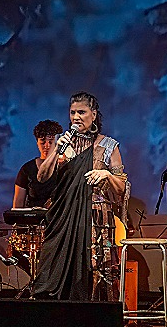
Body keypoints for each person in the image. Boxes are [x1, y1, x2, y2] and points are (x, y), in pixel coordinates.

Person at [32, 92, 130, 300]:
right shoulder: (63, 144)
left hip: (94, 219)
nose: (76, 117)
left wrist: (106, 174)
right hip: (63, 216)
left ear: (93, 115)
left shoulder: (109, 146)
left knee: (95, 271)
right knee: (50, 268)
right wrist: (56, 151)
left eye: (82, 112)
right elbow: (42, 177)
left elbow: (121, 187)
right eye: (72, 112)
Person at [12, 120, 63, 209]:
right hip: (32, 221)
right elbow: (18, 205)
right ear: (37, 143)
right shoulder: (26, 169)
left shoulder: (64, 167)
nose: (47, 146)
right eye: (43, 142)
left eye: (51, 142)